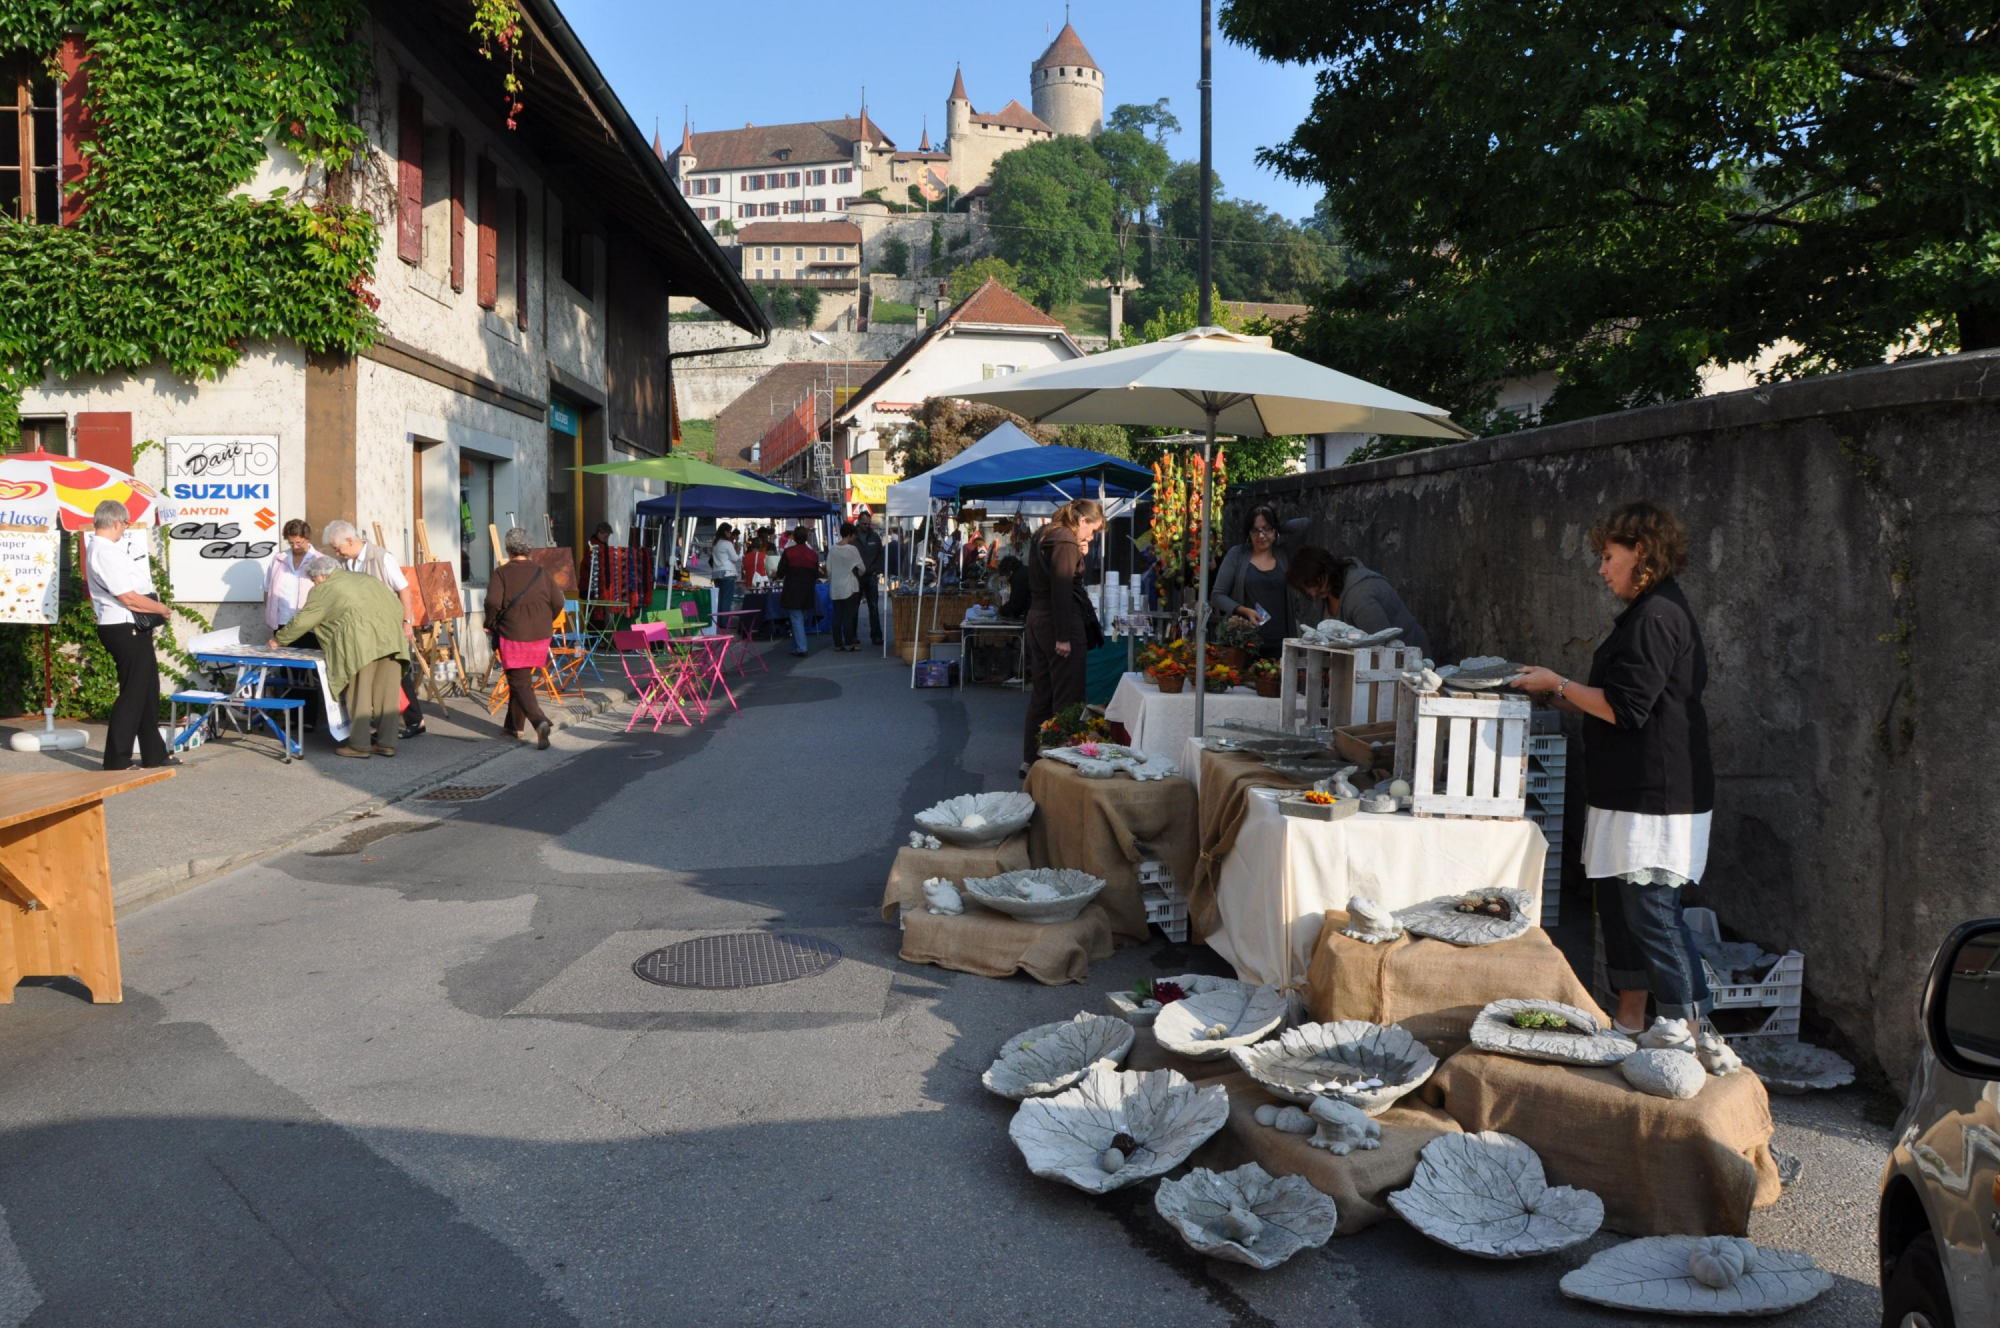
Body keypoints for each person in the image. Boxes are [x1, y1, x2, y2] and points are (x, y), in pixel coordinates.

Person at [1512, 502, 1726, 1066]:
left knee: (1653, 911)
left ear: (1642, 555)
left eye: (1610, 557)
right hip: (1629, 791)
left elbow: (1627, 708)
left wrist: (1558, 683)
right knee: (1624, 906)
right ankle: (1631, 1019)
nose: (1602, 569)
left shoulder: (1657, 616)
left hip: (1656, 796)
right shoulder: (1644, 613)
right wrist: (1557, 691)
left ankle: (1695, 1027)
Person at [276, 555, 411, 758]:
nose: (314, 584)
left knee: (359, 694)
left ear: (321, 575)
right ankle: (386, 743)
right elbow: (397, 606)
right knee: (387, 695)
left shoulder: (324, 588)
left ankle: (360, 745)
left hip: (360, 644)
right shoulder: (367, 579)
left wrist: (279, 639)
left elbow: (305, 620)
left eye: (313, 580)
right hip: (392, 640)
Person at [86, 500, 174, 771]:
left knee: (147, 690)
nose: (125, 528)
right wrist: (162, 608)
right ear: (115, 522)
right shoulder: (105, 551)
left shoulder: (101, 548)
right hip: (125, 626)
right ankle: (116, 759)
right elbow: (128, 597)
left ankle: (154, 753)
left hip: (129, 626)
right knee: (133, 694)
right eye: (125, 523)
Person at [321, 520, 428, 740]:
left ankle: (415, 719)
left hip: (387, 625)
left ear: (349, 541)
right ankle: (380, 723)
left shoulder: (381, 557)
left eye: (337, 547)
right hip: (364, 629)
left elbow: (404, 590)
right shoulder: (346, 563)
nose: (336, 552)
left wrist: (407, 621)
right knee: (377, 675)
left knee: (398, 671)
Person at [1021, 499, 1106, 773]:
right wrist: (1063, 636)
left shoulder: (1046, 534)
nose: (1091, 537)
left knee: (1043, 695)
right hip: (1059, 621)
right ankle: (1060, 765)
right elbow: (1061, 586)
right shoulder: (1065, 540)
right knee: (1067, 697)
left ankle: (1032, 760)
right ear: (1081, 521)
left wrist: (1079, 552)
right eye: (1092, 530)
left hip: (1038, 617)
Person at [483, 526, 566, 749]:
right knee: (520, 678)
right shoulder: (541, 572)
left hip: (514, 633)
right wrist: (545, 619)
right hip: (541, 636)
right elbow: (558, 602)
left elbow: (492, 602)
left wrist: (489, 624)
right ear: (528, 549)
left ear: (508, 549)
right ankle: (513, 726)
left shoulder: (501, 573)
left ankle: (540, 722)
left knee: (518, 680)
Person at [1285, 544, 1432, 657]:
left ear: (1326, 570)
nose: (1312, 593)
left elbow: (1383, 649)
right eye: (1307, 589)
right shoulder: (1325, 592)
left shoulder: (1360, 597)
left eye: (1313, 584)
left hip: (1406, 662)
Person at [1210, 504, 1292, 656]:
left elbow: (1305, 525)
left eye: (1267, 528)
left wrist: (1278, 526)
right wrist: (1244, 611)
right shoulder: (1237, 555)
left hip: (1281, 644)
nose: (1261, 536)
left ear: (1275, 530)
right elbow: (1217, 596)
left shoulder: (1283, 553)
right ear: (1248, 532)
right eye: (1255, 530)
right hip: (1245, 644)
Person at [263, 520, 319, 635]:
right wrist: (271, 612)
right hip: (281, 622)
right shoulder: (279, 558)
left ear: (307, 538)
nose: (295, 547)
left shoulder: (319, 559)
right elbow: (267, 588)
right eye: (291, 543)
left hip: (309, 625)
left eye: (299, 543)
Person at [777, 524, 821, 657]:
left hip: (792, 589)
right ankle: (796, 646)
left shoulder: (788, 552)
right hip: (807, 590)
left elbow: (780, 573)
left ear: (794, 538)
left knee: (796, 618)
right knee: (800, 618)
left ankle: (801, 647)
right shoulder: (813, 554)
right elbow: (816, 574)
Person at [827, 522, 864, 652]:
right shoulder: (852, 550)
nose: (854, 538)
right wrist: (856, 573)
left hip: (836, 587)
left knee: (837, 616)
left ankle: (837, 643)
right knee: (848, 616)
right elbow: (862, 568)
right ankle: (848, 643)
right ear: (849, 535)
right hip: (850, 586)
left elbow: (829, 570)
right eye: (853, 535)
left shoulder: (832, 549)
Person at [852, 508, 885, 644]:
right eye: (864, 523)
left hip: (871, 576)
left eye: (868, 524)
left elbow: (881, 555)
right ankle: (852, 636)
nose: (867, 526)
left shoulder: (874, 536)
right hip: (856, 577)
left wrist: (877, 570)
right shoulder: (852, 536)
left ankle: (876, 636)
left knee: (874, 607)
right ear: (859, 522)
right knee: (854, 608)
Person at [710, 523, 742, 618]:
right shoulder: (727, 543)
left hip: (716, 572)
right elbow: (735, 558)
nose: (730, 534)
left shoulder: (715, 543)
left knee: (720, 598)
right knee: (726, 599)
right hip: (727, 573)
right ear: (725, 532)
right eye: (729, 531)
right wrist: (738, 552)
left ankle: (719, 620)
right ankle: (724, 622)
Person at [996, 554, 1031, 620]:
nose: (1006, 578)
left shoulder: (1018, 577)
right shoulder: (1024, 571)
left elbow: (1015, 603)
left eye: (1005, 575)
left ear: (1009, 571)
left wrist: (1001, 610)